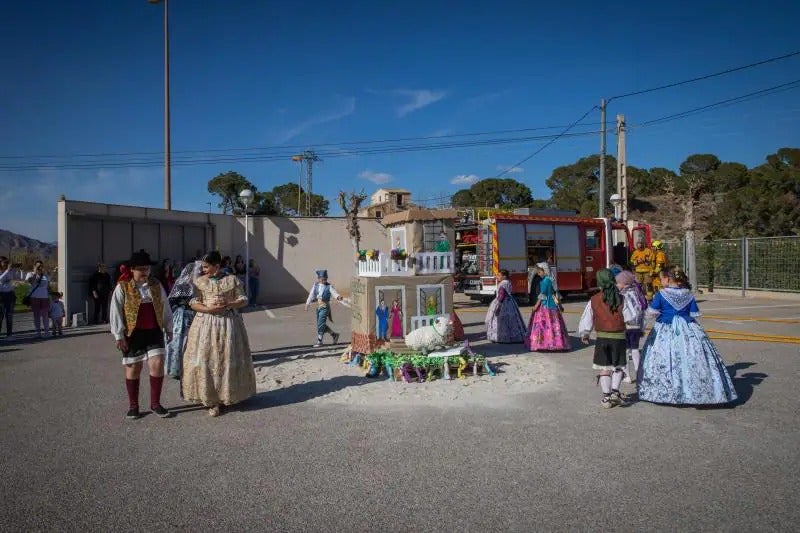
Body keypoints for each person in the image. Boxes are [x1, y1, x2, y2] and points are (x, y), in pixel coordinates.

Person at [638, 268, 738, 405]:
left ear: (668, 279)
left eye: (662, 279)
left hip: (666, 328)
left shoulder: (661, 294)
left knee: (665, 357)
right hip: (688, 328)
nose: (661, 281)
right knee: (691, 357)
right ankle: (694, 390)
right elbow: (693, 312)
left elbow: (652, 313)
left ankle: (667, 391)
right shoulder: (688, 294)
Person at [182, 251, 256, 417]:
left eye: (207, 266)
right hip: (205, 324)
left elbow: (244, 299)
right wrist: (208, 309)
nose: (204, 270)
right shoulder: (199, 281)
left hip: (228, 323)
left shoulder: (232, 279)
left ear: (217, 265)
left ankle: (227, 395)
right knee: (207, 359)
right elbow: (193, 302)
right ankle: (212, 400)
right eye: (203, 267)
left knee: (225, 359)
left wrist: (229, 303)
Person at [109, 250, 173, 420]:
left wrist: (169, 327)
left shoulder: (156, 285)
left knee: (158, 363)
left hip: (154, 330)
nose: (145, 272)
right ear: (132, 269)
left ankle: (155, 403)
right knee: (134, 368)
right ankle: (133, 406)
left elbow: (164, 306)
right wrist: (119, 335)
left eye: (147, 268)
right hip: (133, 333)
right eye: (141, 269)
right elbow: (115, 311)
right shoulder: (123, 287)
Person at [578, 268, 628, 408]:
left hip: (602, 338)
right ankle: (615, 392)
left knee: (604, 367)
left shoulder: (594, 299)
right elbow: (631, 317)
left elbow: (587, 318)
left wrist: (585, 333)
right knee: (618, 366)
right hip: (619, 336)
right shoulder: (622, 298)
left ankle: (606, 397)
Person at [164, 261, 202, 380]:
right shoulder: (181, 284)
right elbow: (172, 300)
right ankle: (177, 368)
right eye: (198, 272)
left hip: (198, 314)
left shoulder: (202, 284)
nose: (199, 273)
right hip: (183, 317)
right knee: (180, 342)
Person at [525, 262, 570, 351]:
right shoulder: (551, 280)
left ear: (545, 271)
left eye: (539, 272)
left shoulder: (545, 281)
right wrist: (559, 305)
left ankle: (544, 343)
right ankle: (557, 342)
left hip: (545, 306)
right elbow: (555, 294)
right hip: (553, 306)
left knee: (544, 324)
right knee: (554, 324)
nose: (538, 274)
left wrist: (536, 305)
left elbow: (543, 295)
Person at [616, 270, 647, 384]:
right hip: (637, 326)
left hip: (626, 326)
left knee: (625, 351)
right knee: (635, 349)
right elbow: (643, 311)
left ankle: (627, 375)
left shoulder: (623, 295)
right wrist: (642, 327)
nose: (617, 285)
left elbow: (624, 311)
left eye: (618, 283)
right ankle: (639, 373)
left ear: (624, 283)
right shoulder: (637, 292)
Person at [485, 269, 527, 343]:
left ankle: (502, 337)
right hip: (510, 302)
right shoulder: (508, 282)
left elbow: (501, 296)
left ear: (504, 276)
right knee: (511, 320)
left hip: (503, 303)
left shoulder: (502, 284)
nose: (497, 277)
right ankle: (513, 336)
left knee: (501, 320)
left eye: (499, 275)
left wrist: (497, 306)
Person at [304, 269, 343, 347]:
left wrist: (338, 297)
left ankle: (320, 341)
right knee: (321, 324)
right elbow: (311, 294)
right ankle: (334, 335)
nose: (324, 280)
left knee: (320, 324)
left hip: (325, 307)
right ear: (318, 279)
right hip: (319, 307)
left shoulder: (329, 286)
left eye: (325, 279)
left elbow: (334, 293)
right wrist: (307, 303)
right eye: (322, 279)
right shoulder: (315, 285)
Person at [26, 260, 51, 338]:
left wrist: (49, 296)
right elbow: (30, 282)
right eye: (38, 266)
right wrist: (35, 272)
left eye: (41, 266)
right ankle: (38, 332)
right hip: (35, 297)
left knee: (45, 315)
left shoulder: (45, 275)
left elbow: (47, 286)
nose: (40, 268)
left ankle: (47, 331)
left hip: (44, 297)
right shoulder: (30, 274)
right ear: (34, 266)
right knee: (36, 315)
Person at [0, 256, 17, 339]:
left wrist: (15, 269)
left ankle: (9, 334)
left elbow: (16, 277)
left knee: (9, 315)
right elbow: (1, 279)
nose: (6, 264)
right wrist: (7, 270)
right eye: (5, 262)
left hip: (10, 294)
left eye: (7, 262)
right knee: (0, 316)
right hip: (1, 295)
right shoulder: (4, 271)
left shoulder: (10, 271)